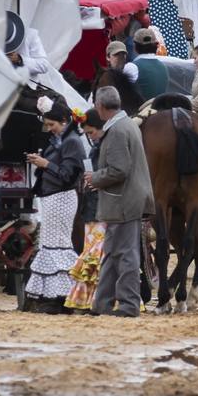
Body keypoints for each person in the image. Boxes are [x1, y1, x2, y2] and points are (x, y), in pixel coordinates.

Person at [87, 86, 155, 318]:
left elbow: (118, 170)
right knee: (113, 253)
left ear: (100, 106)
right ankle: (102, 304)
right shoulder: (126, 125)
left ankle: (128, 305)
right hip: (126, 200)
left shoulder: (116, 130)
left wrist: (94, 178)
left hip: (123, 201)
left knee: (125, 255)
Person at [22, 102, 86, 312]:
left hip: (61, 197)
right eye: (47, 125)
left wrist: (45, 164)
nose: (49, 128)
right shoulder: (62, 140)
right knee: (51, 245)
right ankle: (53, 296)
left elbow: (68, 175)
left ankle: (62, 297)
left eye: (52, 124)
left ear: (64, 121)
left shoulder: (72, 142)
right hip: (52, 197)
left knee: (58, 245)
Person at [66, 110, 107, 313]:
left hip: (101, 208)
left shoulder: (104, 148)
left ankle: (94, 300)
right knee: (93, 254)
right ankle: (91, 300)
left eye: (91, 132)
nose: (89, 137)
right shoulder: (96, 149)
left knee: (96, 255)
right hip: (92, 207)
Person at [132, 28, 169, 102]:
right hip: (160, 109)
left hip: (140, 111)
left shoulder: (132, 66)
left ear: (135, 46)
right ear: (156, 45)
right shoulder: (163, 66)